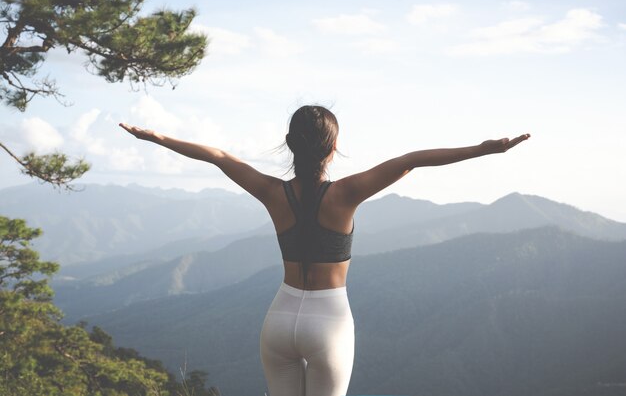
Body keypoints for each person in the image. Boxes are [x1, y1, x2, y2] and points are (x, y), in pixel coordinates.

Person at [120, 105, 530, 396]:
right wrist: (484, 149)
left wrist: (156, 137)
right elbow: (413, 160)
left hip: (279, 318)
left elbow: (219, 158)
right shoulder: (347, 192)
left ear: (289, 144)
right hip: (329, 322)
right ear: (333, 149)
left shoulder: (270, 191)